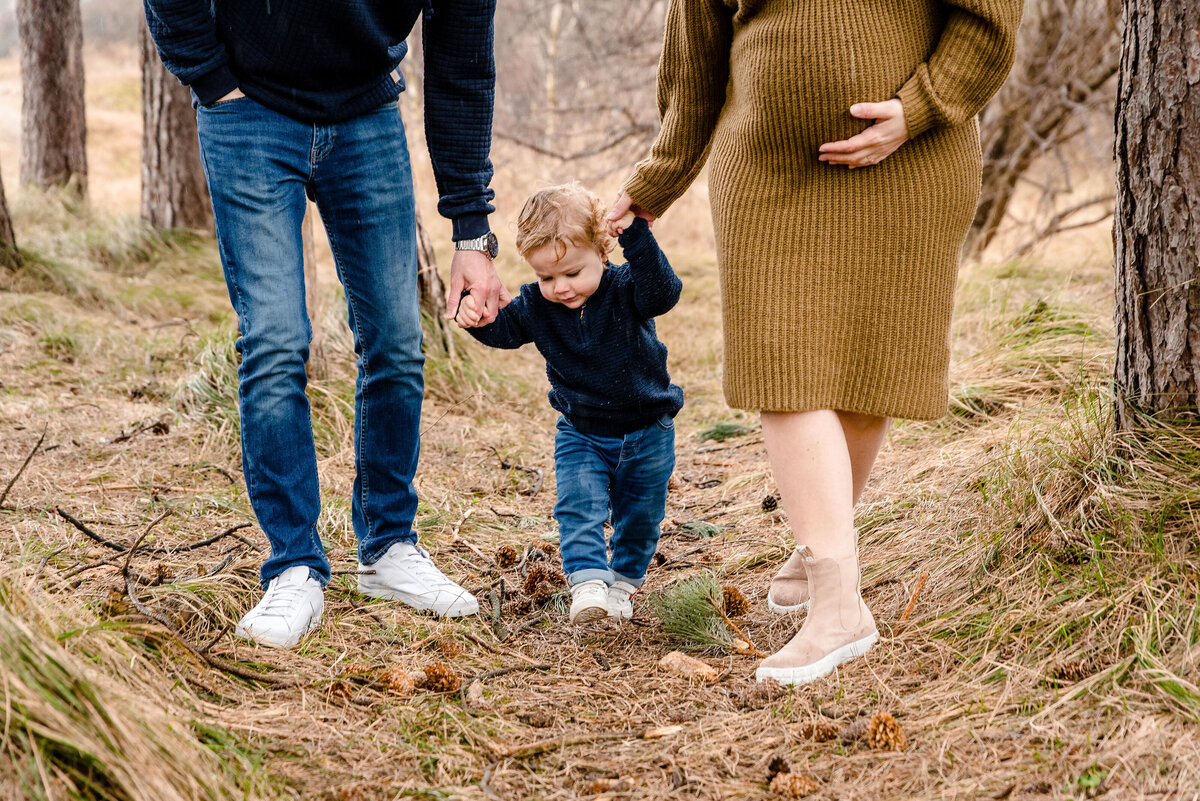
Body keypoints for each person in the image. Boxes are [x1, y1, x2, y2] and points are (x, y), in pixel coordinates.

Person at [609, 0, 1021, 683]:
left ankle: (821, 550)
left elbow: (991, 20)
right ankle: (838, 602)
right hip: (767, 171)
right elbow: (697, 54)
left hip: (910, 162)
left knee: (867, 368)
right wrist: (660, 175)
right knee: (784, 367)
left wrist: (919, 108)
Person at [143, 0, 507, 648]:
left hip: (366, 111)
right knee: (276, 340)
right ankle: (294, 567)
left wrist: (471, 229)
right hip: (245, 107)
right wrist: (206, 72)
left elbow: (464, 61)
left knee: (396, 339)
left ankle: (388, 547)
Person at [455, 183, 682, 623]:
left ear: (602, 251)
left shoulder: (625, 288)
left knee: (640, 517)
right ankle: (588, 584)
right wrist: (478, 318)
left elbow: (664, 294)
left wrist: (635, 235)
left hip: (648, 430)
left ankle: (623, 584)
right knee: (578, 507)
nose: (560, 288)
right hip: (581, 431)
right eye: (546, 277)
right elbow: (505, 330)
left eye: (573, 273)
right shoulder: (537, 304)